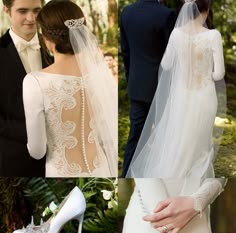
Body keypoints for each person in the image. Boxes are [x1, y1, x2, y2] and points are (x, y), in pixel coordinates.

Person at [126, 0, 226, 178]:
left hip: (180, 95)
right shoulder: (213, 36)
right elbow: (219, 74)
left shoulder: (176, 34)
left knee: (178, 139)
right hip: (203, 96)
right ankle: (195, 178)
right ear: (207, 9)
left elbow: (166, 64)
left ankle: (173, 176)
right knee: (200, 142)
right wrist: (203, 73)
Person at [22, 0, 117, 177]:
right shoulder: (99, 73)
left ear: (46, 38)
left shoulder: (35, 82)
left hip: (62, 174)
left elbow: (37, 151)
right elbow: (107, 133)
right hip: (101, 169)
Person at [120, 0, 175, 177]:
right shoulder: (166, 14)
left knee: (135, 135)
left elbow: (126, 52)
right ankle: (158, 176)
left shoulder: (127, 12)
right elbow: (172, 54)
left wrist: (132, 80)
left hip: (137, 85)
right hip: (161, 87)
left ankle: (126, 175)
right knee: (162, 136)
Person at [0, 0, 51, 176]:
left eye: (37, 11)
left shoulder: (58, 49)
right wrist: (36, 132)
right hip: (14, 161)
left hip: (59, 160)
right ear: (7, 10)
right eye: (22, 11)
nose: (31, 18)